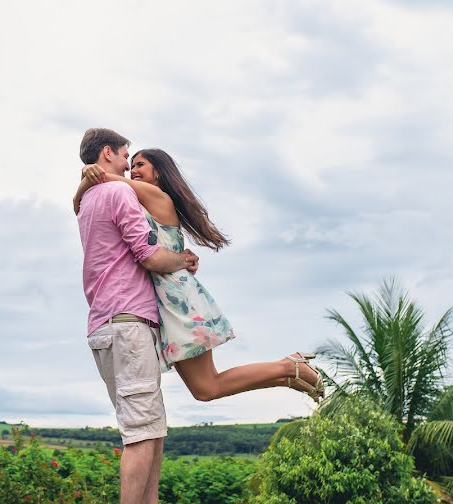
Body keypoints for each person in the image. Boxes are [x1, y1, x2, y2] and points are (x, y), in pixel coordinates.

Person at [74, 147, 325, 405]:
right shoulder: (140, 199)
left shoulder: (155, 195)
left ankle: (288, 367)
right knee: (205, 389)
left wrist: (86, 177)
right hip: (166, 301)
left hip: (177, 299)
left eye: (140, 165)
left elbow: (101, 182)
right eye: (132, 164)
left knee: (206, 386)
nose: (132, 170)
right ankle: (290, 374)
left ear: (158, 173)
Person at [76, 128, 199, 504]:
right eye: (125, 157)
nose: (129, 166)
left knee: (152, 429)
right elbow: (150, 257)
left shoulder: (86, 201)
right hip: (127, 322)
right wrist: (184, 260)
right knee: (143, 432)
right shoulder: (118, 192)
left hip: (108, 323)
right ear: (108, 153)